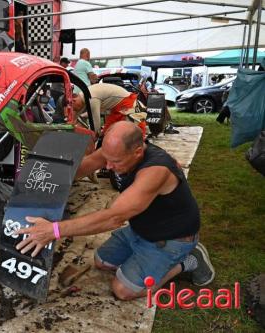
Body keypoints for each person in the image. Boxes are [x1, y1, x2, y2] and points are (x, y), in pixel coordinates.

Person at [14, 121, 215, 300]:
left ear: (137, 152)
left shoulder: (156, 171)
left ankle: (188, 260)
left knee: (123, 290)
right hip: (141, 228)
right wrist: (42, 179)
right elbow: (82, 168)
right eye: (107, 158)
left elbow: (113, 218)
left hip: (171, 238)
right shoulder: (116, 151)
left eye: (115, 162)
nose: (107, 166)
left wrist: (54, 230)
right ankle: (145, 260)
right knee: (102, 262)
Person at [72, 83, 141, 137]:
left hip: (126, 103)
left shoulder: (91, 98)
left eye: (73, 108)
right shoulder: (84, 94)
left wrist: (94, 138)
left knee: (130, 133)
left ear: (74, 100)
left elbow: (96, 123)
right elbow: (77, 114)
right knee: (107, 133)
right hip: (115, 107)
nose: (75, 109)